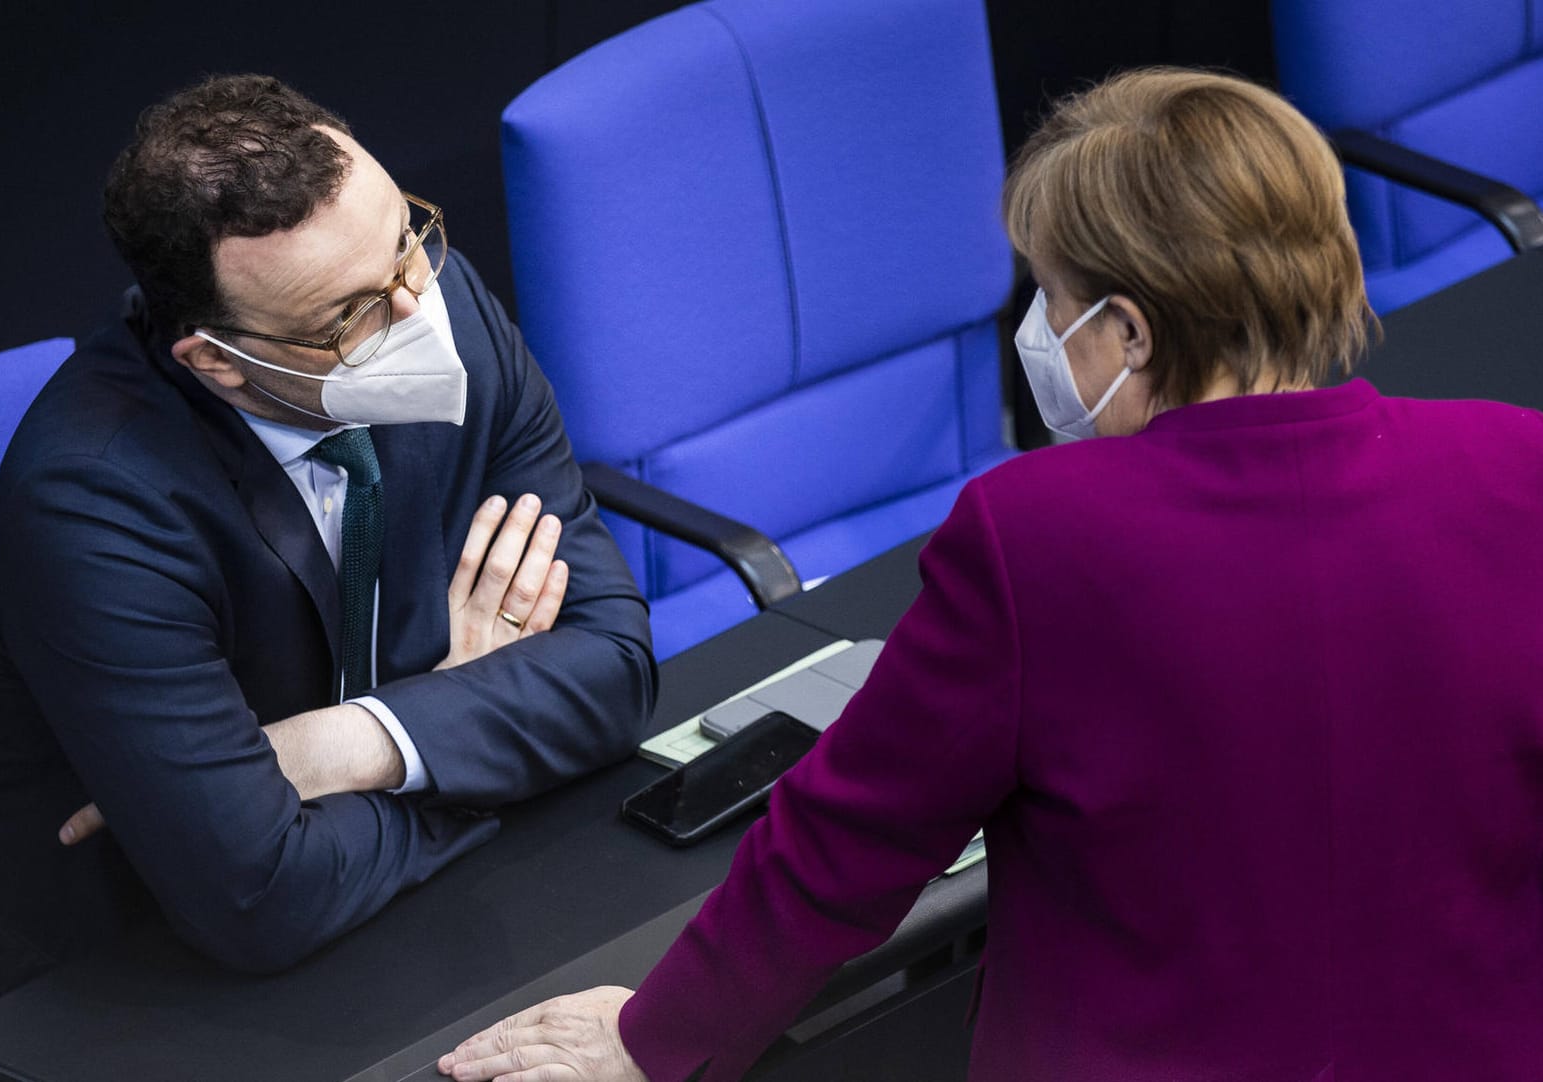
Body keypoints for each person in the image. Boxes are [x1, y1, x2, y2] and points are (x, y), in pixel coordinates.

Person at [437, 68, 1543, 1081]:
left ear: (1131, 331)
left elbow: (844, 847)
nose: (1039, 328)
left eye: (1052, 297)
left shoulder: (1034, 537)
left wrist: (652, 1039)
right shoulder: (1519, 467)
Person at [0, 73, 655, 1028]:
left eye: (409, 239)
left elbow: (615, 669)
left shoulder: (444, 308)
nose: (415, 311)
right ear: (219, 360)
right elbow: (259, 897)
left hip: (369, 910)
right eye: (346, 318)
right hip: (87, 977)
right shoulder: (94, 500)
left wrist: (334, 746)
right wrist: (480, 739)